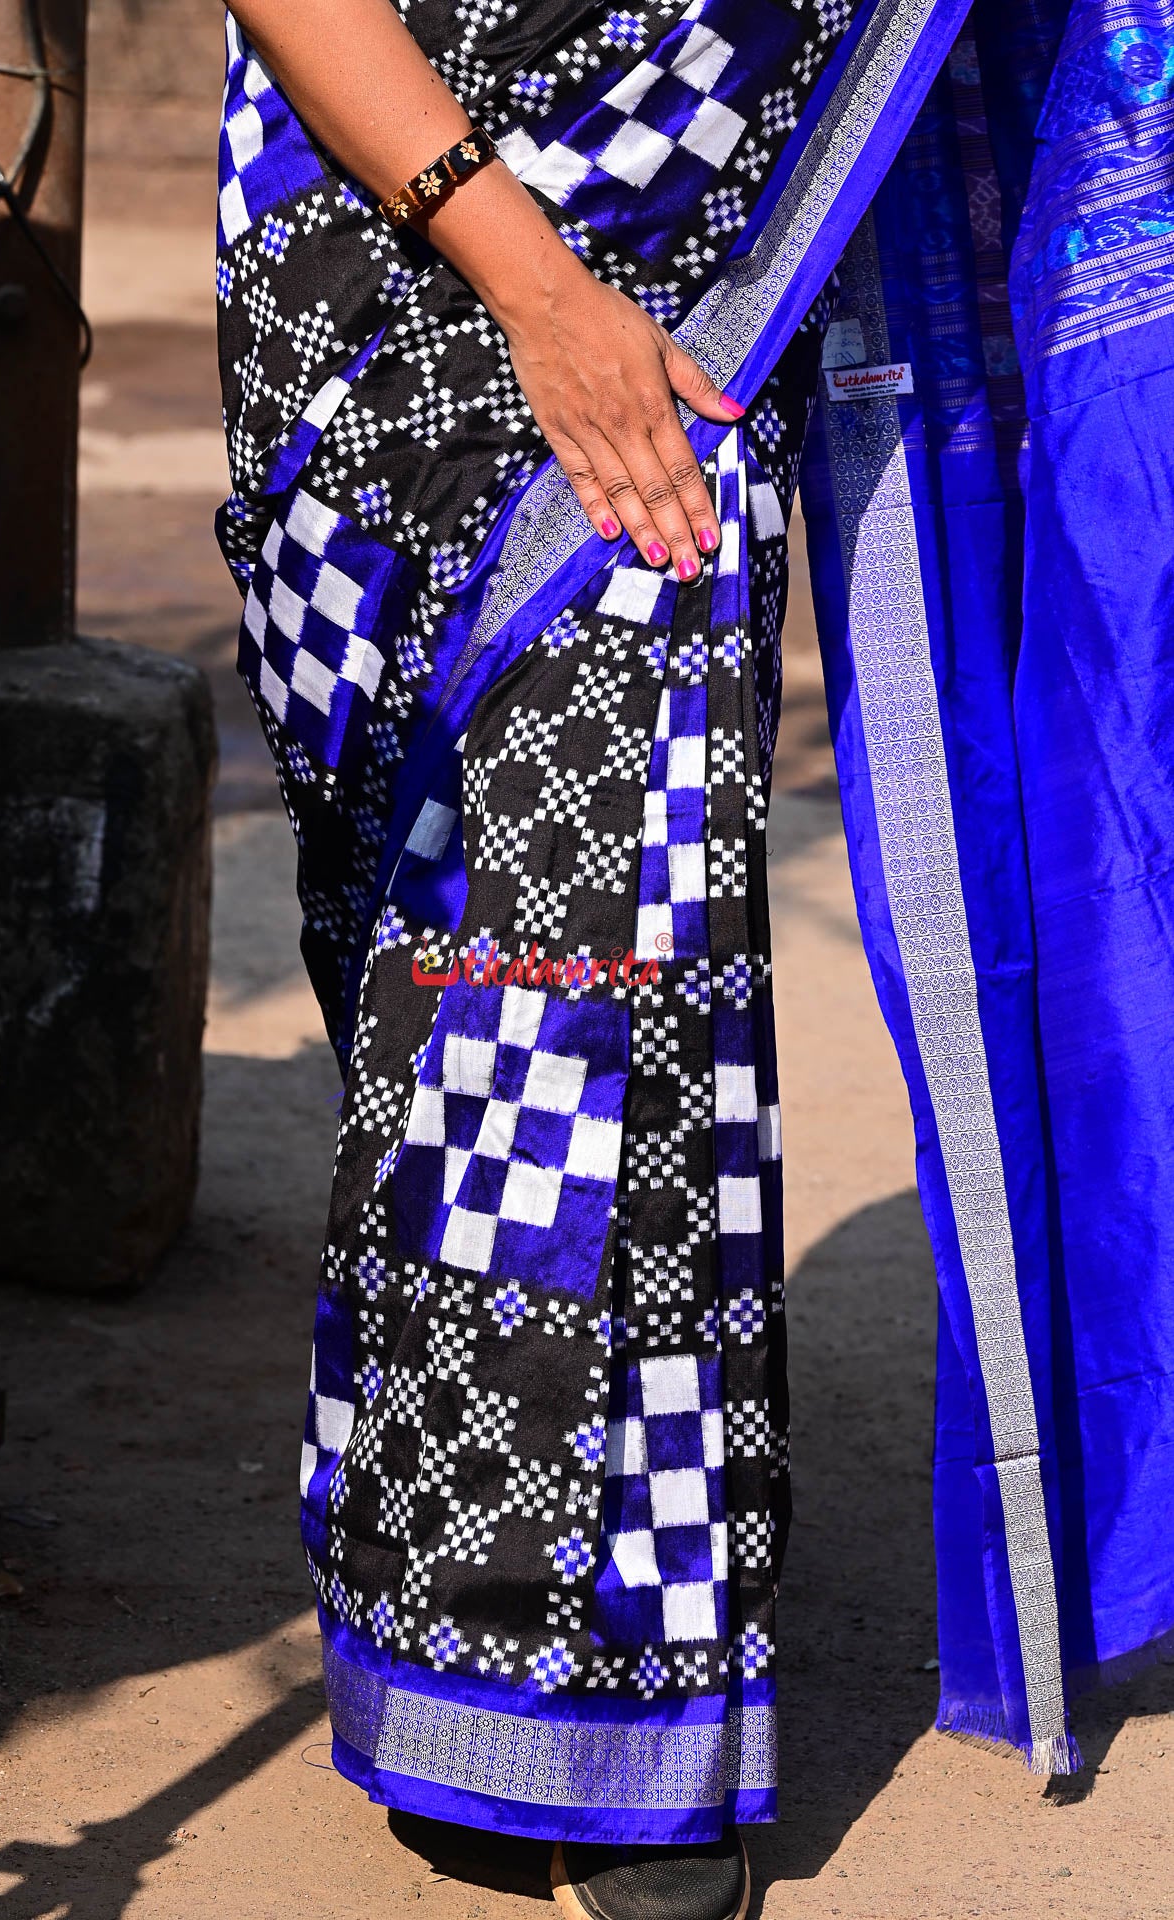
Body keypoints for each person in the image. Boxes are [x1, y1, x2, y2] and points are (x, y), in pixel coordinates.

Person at [213, 1, 1174, 1913]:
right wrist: (532, 283)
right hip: (428, 280)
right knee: (466, 992)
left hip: (713, 285)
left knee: (618, 987)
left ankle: (588, 1690)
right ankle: (461, 1611)